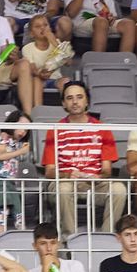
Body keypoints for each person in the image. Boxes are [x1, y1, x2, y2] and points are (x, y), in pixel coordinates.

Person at [41, 81, 127, 240]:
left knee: (119, 189)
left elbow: (107, 170)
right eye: (70, 98)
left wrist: (98, 177)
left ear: (87, 101)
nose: (75, 102)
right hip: (65, 182)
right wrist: (68, 175)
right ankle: (69, 240)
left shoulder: (101, 128)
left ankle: (107, 238)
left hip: (94, 183)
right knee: (64, 189)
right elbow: (50, 172)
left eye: (79, 97)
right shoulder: (55, 129)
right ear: (63, 103)